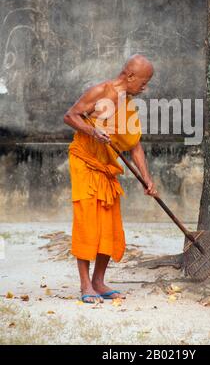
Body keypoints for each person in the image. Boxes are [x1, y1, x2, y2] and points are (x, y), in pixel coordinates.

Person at [64, 54, 157, 303]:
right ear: (130, 76)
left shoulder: (128, 104)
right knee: (87, 222)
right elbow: (71, 116)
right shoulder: (100, 91)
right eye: (144, 81)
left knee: (109, 224)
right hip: (84, 162)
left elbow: (134, 146)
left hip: (106, 167)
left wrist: (146, 179)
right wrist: (93, 131)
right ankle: (85, 285)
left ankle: (99, 281)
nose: (145, 87)